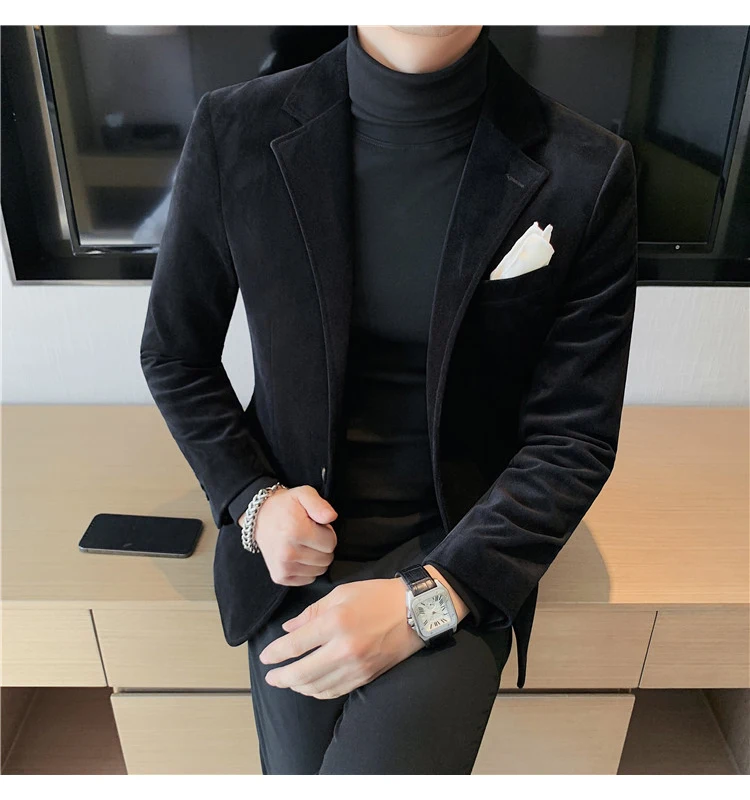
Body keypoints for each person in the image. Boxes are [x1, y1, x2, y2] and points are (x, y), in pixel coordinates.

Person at [140, 24, 638, 774]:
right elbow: (175, 353)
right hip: (293, 546)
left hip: (463, 545)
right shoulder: (234, 127)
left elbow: (574, 439)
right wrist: (253, 500)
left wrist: (429, 598)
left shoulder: (587, 167)